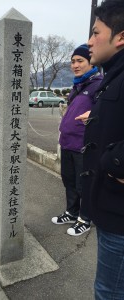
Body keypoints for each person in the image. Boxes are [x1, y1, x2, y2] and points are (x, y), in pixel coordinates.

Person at [75, 0, 124, 298]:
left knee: (109, 292)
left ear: (120, 37)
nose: (89, 42)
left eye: (96, 33)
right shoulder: (113, 76)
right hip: (108, 208)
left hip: (119, 214)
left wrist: (114, 164)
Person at [51, 44, 103, 236]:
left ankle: (85, 218)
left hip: (84, 146)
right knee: (69, 180)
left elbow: (103, 115)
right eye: (73, 61)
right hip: (67, 143)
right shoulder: (78, 85)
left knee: (84, 185)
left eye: (80, 60)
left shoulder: (98, 84)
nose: (75, 65)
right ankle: (72, 212)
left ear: (91, 62)